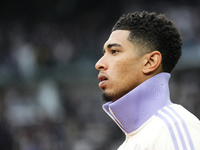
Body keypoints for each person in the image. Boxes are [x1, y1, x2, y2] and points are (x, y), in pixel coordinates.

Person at [95, 11, 200, 150]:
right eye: (104, 53)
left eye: (114, 51)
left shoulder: (173, 126)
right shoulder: (132, 141)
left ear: (150, 62)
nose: (99, 64)